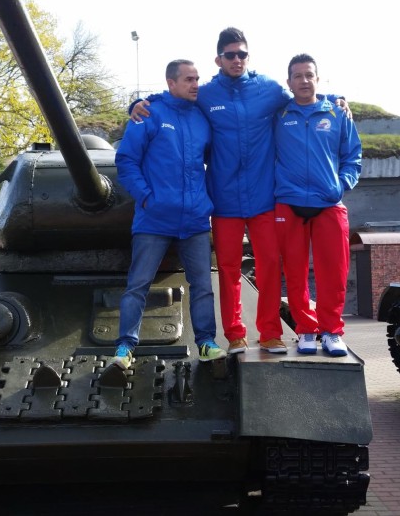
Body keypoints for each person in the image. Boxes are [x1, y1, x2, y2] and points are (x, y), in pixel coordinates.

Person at [131, 28, 347, 355]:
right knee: (229, 270)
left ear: (248, 56)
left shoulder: (269, 90)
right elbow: (175, 100)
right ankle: (235, 335)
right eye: (230, 55)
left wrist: (336, 101)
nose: (236, 60)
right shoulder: (205, 94)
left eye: (242, 54)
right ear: (218, 59)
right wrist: (139, 103)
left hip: (263, 198)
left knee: (270, 266)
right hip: (224, 200)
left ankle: (270, 332)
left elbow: (304, 97)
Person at [108, 59, 227, 370]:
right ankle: (125, 346)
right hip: (155, 219)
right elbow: (126, 161)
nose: (195, 84)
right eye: (188, 79)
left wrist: (208, 201)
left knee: (202, 286)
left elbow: (216, 160)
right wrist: (148, 198)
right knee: (138, 284)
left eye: (197, 78)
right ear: (171, 82)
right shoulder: (148, 113)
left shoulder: (201, 118)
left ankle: (206, 342)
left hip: (196, 220)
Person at [273, 54, 362, 356]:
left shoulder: (337, 113)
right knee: (296, 273)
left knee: (333, 272)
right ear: (289, 82)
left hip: (329, 203)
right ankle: (306, 331)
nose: (304, 81)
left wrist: (341, 184)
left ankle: (332, 331)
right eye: (297, 76)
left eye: (309, 75)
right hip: (289, 202)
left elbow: (353, 156)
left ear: (318, 79)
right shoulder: (279, 114)